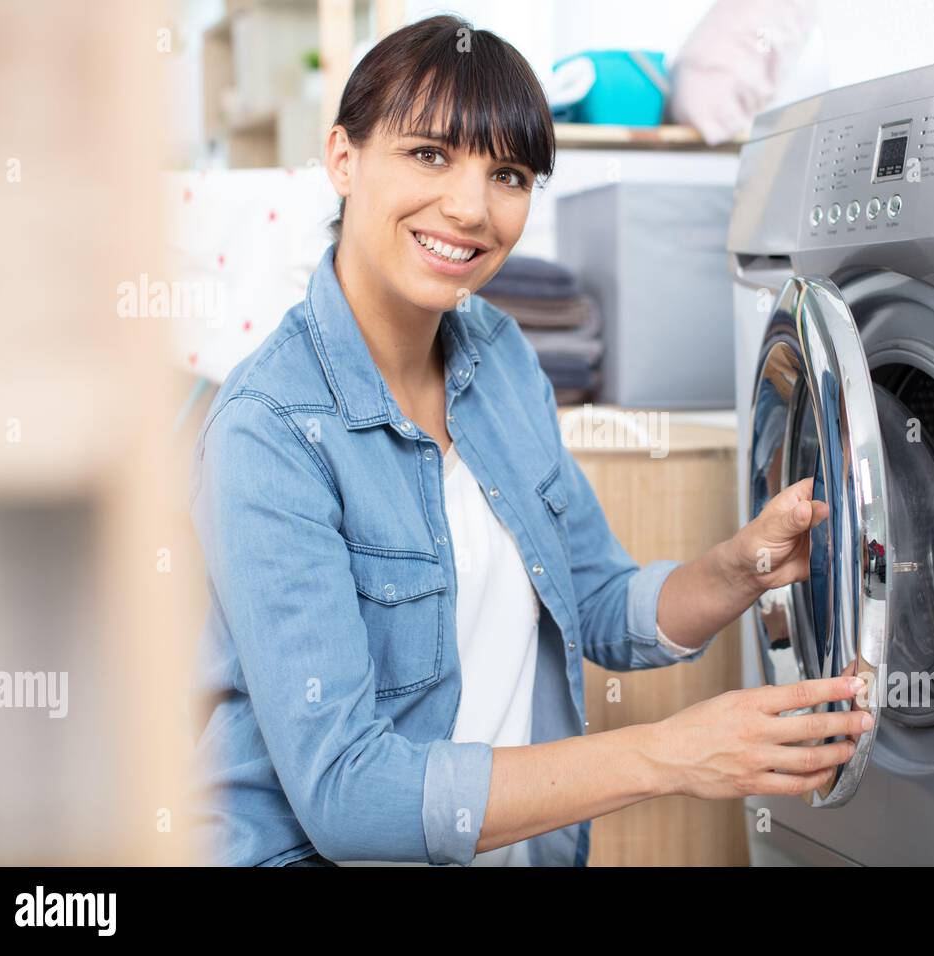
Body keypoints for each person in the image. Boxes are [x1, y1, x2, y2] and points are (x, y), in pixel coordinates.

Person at [186, 14, 870, 868]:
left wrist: (742, 568)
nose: (470, 208)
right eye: (430, 155)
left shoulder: (501, 359)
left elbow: (598, 603)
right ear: (343, 158)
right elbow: (349, 796)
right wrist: (670, 753)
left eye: (507, 173)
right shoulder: (271, 428)